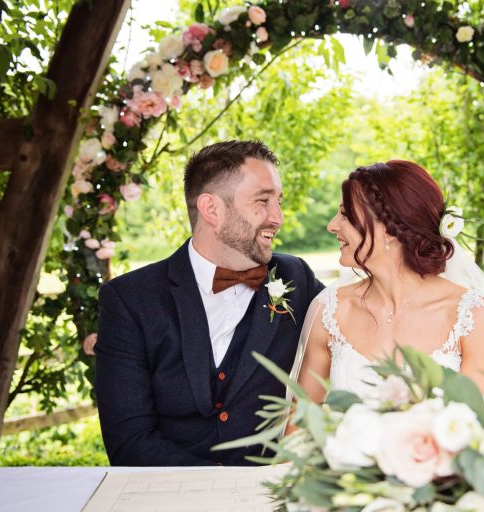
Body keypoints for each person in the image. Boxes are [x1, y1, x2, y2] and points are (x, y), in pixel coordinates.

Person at [95, 140, 323, 466]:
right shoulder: (130, 300)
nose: (278, 217)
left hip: (272, 487)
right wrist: (217, 487)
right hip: (171, 491)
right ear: (212, 209)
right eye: (262, 201)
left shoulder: (295, 278)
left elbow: (359, 323)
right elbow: (129, 441)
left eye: (279, 202)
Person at [295, 160, 484, 403]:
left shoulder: (474, 317)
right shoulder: (329, 311)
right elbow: (299, 419)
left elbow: (483, 420)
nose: (332, 226)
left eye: (346, 215)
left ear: (389, 227)